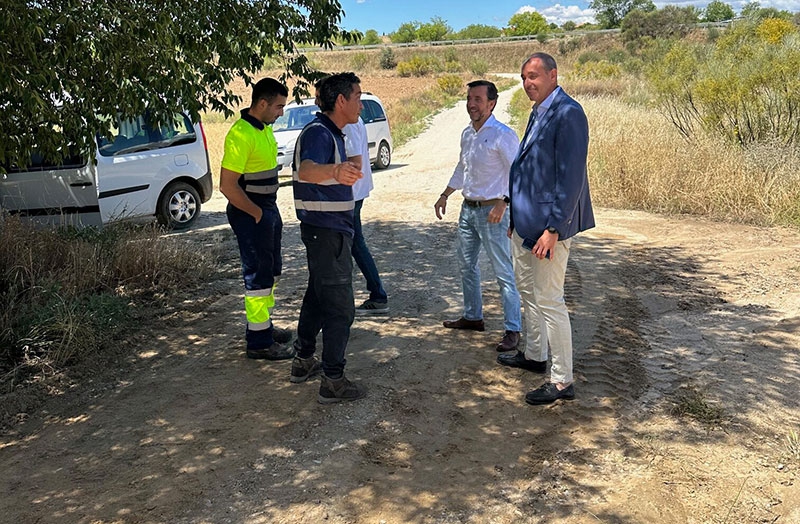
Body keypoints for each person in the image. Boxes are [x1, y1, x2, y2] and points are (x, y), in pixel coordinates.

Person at [499, 52, 595, 405]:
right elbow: (527, 170)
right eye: (524, 77)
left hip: (548, 230)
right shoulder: (539, 110)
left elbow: (570, 179)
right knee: (529, 294)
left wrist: (554, 228)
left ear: (554, 74)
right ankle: (535, 355)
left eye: (535, 76)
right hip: (526, 225)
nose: (528, 83)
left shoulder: (568, 113)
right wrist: (513, 217)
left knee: (550, 300)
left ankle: (561, 380)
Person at [291, 72, 367, 403]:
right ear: (341, 101)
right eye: (358, 97)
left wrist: (342, 169)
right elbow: (307, 169)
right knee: (339, 306)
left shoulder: (331, 133)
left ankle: (303, 359)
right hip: (327, 230)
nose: (361, 104)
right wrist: (335, 171)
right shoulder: (320, 133)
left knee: (318, 297)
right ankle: (332, 379)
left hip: (326, 230)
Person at [434, 80, 523, 352]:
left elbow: (519, 172)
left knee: (503, 271)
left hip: (492, 212)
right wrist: (445, 194)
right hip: (467, 210)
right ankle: (473, 317)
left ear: (491, 103)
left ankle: (513, 329)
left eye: (478, 99)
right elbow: (463, 169)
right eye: (469, 98)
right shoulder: (467, 134)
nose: (471, 104)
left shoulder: (502, 135)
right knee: (466, 265)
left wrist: (504, 202)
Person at [220, 77, 294, 360]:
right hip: (251, 212)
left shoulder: (263, 127)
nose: (280, 112)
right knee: (258, 275)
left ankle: (262, 327)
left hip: (266, 210)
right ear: (262, 103)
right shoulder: (241, 134)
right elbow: (228, 186)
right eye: (278, 106)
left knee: (271, 271)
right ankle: (259, 343)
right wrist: (257, 214)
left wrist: (267, 213)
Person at [345, 115, 389, 316]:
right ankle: (376, 293)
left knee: (354, 245)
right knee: (355, 244)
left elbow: (354, 160)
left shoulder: (348, 122)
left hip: (351, 193)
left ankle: (378, 295)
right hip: (356, 191)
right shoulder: (355, 119)